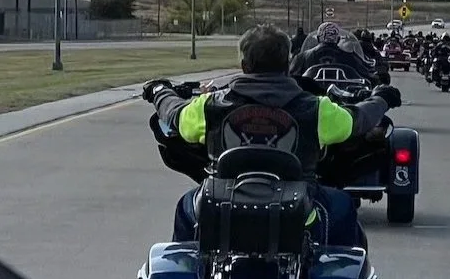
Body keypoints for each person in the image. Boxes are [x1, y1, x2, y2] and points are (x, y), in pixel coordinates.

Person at [144, 24, 401, 250]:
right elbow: (358, 120)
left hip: (221, 204)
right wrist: (382, 98)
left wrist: (159, 91)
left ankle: (194, 275)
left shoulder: (210, 105)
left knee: (186, 206)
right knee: (343, 206)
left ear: (244, 65)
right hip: (299, 208)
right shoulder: (316, 108)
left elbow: (174, 113)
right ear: (287, 64)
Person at [289, 21, 385, 85]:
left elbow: (289, 77)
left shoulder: (302, 57)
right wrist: (379, 76)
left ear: (318, 39)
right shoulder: (350, 57)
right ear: (338, 39)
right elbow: (368, 75)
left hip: (310, 104)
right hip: (343, 105)